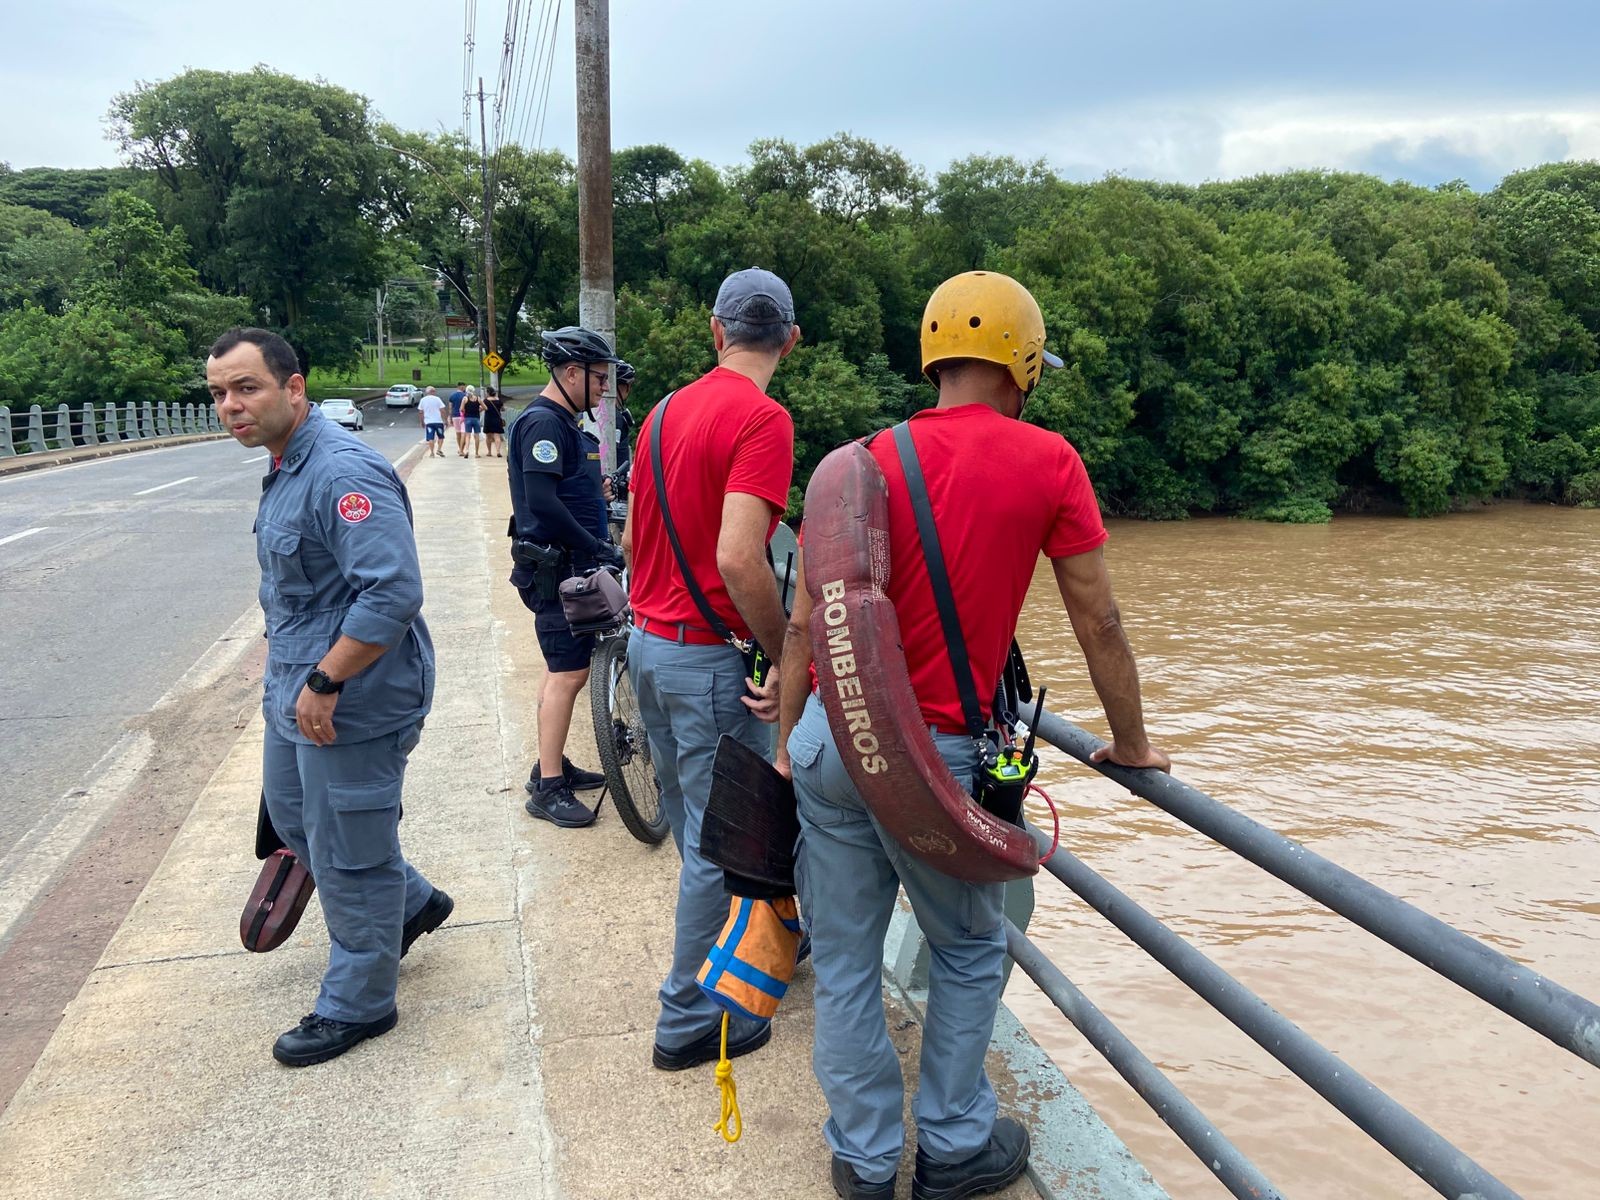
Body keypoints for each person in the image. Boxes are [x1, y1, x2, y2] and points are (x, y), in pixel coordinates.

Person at [776, 271, 1170, 1199]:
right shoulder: (1048, 462)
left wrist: (788, 744)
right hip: (932, 762)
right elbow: (1098, 620)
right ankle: (951, 1144)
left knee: (840, 955)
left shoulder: (863, 461)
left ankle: (865, 1159)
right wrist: (1133, 743)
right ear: (1023, 362)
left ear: (935, 355)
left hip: (832, 748)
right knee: (965, 948)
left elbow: (803, 625)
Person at [206, 327, 453, 1068]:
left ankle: (361, 1000)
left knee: (349, 852)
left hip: (354, 696)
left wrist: (326, 680)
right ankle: (410, 905)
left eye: (246, 388)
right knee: (293, 821)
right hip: (297, 687)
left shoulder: (342, 473)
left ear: (294, 387)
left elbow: (393, 592)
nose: (230, 405)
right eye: (219, 393)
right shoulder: (286, 466)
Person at [622, 268, 799, 1071]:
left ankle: (711, 983)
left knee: (693, 824)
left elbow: (633, 547)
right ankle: (688, 1016)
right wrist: (787, 650)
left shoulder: (660, 414)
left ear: (715, 332)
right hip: (706, 662)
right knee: (712, 845)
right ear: (789, 341)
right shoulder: (764, 421)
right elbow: (738, 557)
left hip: (649, 648)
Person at [506, 325, 625, 828]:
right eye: (598, 379)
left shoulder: (562, 424)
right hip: (559, 570)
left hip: (571, 565)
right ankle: (548, 788)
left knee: (562, 669)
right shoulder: (543, 424)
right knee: (568, 674)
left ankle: (550, 765)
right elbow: (542, 503)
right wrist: (596, 545)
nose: (604, 389)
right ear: (570, 373)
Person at [418, 386, 447, 457]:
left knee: (431, 437)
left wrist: (421, 421)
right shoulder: (437, 399)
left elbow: (420, 412)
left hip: (428, 422)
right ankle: (439, 449)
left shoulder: (423, 400)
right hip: (438, 421)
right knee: (441, 436)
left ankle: (432, 452)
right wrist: (445, 420)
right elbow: (442, 410)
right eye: (434, 391)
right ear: (432, 392)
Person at [482, 386, 506, 457]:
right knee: (497, 436)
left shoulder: (486, 401)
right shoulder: (498, 401)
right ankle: (498, 451)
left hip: (488, 420)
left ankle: (489, 452)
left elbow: (482, 408)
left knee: (488, 436)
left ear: (488, 393)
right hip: (497, 419)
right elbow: (503, 409)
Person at [462, 387, 483, 457]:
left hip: (468, 418)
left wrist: (465, 411)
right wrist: (479, 410)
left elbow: (461, 409)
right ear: (473, 390)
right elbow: (485, 407)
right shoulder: (478, 398)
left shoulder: (465, 399)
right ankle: (476, 453)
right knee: (476, 436)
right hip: (476, 419)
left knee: (468, 435)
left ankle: (467, 450)